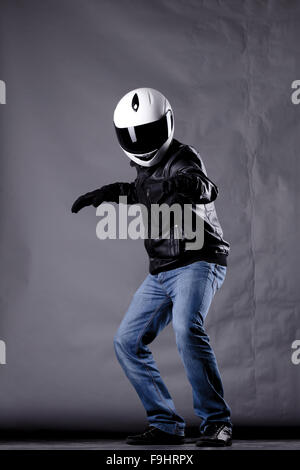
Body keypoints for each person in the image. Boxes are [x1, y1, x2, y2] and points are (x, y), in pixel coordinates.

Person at [71, 88, 232, 447]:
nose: (140, 142)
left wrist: (185, 184)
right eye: (133, 135)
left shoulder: (184, 157)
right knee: (127, 342)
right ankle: (165, 424)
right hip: (162, 270)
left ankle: (217, 423)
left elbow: (205, 187)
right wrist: (110, 192)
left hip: (198, 259)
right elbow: (145, 192)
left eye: (146, 132)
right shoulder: (146, 171)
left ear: (168, 123)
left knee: (187, 330)